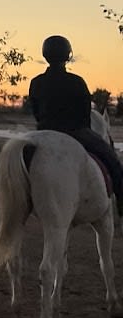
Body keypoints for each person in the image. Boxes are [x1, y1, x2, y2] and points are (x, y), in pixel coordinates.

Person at [28, 35, 123, 215]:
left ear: (45, 55)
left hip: (44, 132)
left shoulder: (36, 82)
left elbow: (36, 112)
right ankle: (121, 204)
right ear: (68, 55)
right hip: (75, 131)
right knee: (112, 160)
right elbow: (84, 113)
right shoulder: (76, 82)